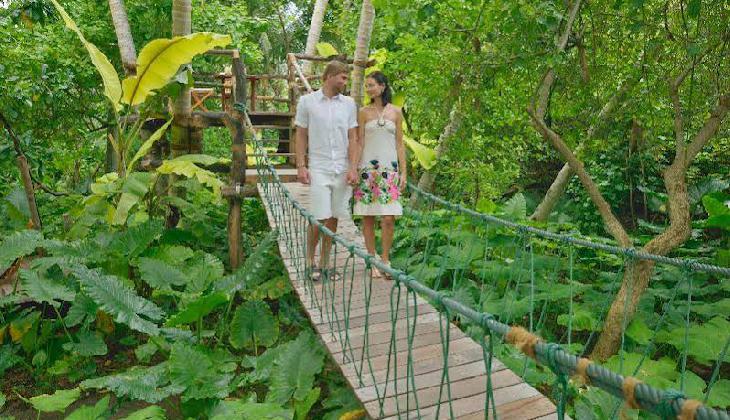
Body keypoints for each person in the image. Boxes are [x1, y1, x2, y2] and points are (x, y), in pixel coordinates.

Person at [294, 60, 359, 280]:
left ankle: (324, 263)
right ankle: (309, 261)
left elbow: (353, 137)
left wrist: (353, 168)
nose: (345, 82)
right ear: (330, 76)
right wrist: (301, 166)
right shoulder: (307, 102)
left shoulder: (349, 104)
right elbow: (301, 134)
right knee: (319, 217)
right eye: (343, 77)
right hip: (319, 167)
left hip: (341, 167)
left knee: (333, 217)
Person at [351, 71, 407, 279]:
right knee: (368, 217)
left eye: (372, 85)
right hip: (368, 171)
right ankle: (372, 259)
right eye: (366, 85)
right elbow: (359, 142)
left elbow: (399, 144)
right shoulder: (363, 112)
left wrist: (404, 172)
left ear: (382, 87)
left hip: (389, 171)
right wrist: (354, 169)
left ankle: (385, 260)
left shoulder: (396, 112)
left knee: (388, 217)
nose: (368, 89)